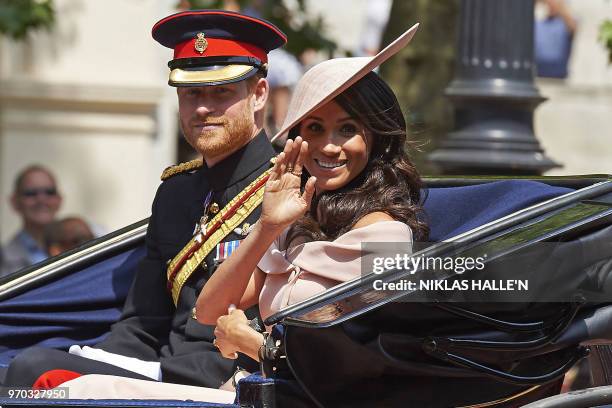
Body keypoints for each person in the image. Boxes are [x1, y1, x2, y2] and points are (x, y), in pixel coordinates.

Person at [48, 24, 425, 403]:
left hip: (291, 397)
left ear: (376, 137)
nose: (328, 146)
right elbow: (208, 310)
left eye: (347, 129)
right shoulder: (299, 223)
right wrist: (267, 226)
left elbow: (373, 364)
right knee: (61, 387)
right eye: (314, 128)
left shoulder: (386, 237)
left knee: (69, 388)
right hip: (258, 392)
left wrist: (259, 346)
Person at [2, 9, 286, 392]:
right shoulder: (177, 191)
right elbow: (142, 324)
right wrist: (93, 363)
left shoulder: (286, 187)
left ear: (259, 94)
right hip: (166, 375)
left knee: (35, 369)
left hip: (236, 380)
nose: (203, 108)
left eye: (221, 92)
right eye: (191, 93)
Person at [0, 165, 62, 278]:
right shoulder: (3, 259)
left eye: (49, 192)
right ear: (14, 202)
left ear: (59, 199)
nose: (41, 199)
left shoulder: (85, 241)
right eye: (31, 193)